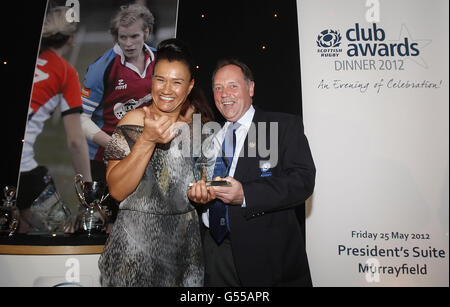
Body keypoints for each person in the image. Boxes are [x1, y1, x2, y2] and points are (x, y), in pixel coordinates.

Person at [187, 58, 316, 286]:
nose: (224, 93)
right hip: (214, 251)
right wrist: (200, 196)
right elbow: (202, 183)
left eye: (232, 86)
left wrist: (246, 194)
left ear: (251, 88)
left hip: (265, 256)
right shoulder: (209, 138)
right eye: (218, 88)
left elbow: (302, 181)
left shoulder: (282, 126)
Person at [98, 38, 214, 286]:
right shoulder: (132, 121)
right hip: (134, 255)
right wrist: (147, 140)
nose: (166, 89)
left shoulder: (200, 132)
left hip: (185, 255)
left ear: (190, 86)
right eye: (160, 79)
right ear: (151, 80)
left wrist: (204, 194)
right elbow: (116, 190)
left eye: (177, 82)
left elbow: (202, 185)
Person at [17, 6, 92, 231]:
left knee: (19, 225)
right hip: (23, 168)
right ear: (70, 40)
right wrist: (88, 194)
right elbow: (76, 142)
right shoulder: (65, 72)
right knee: (63, 227)